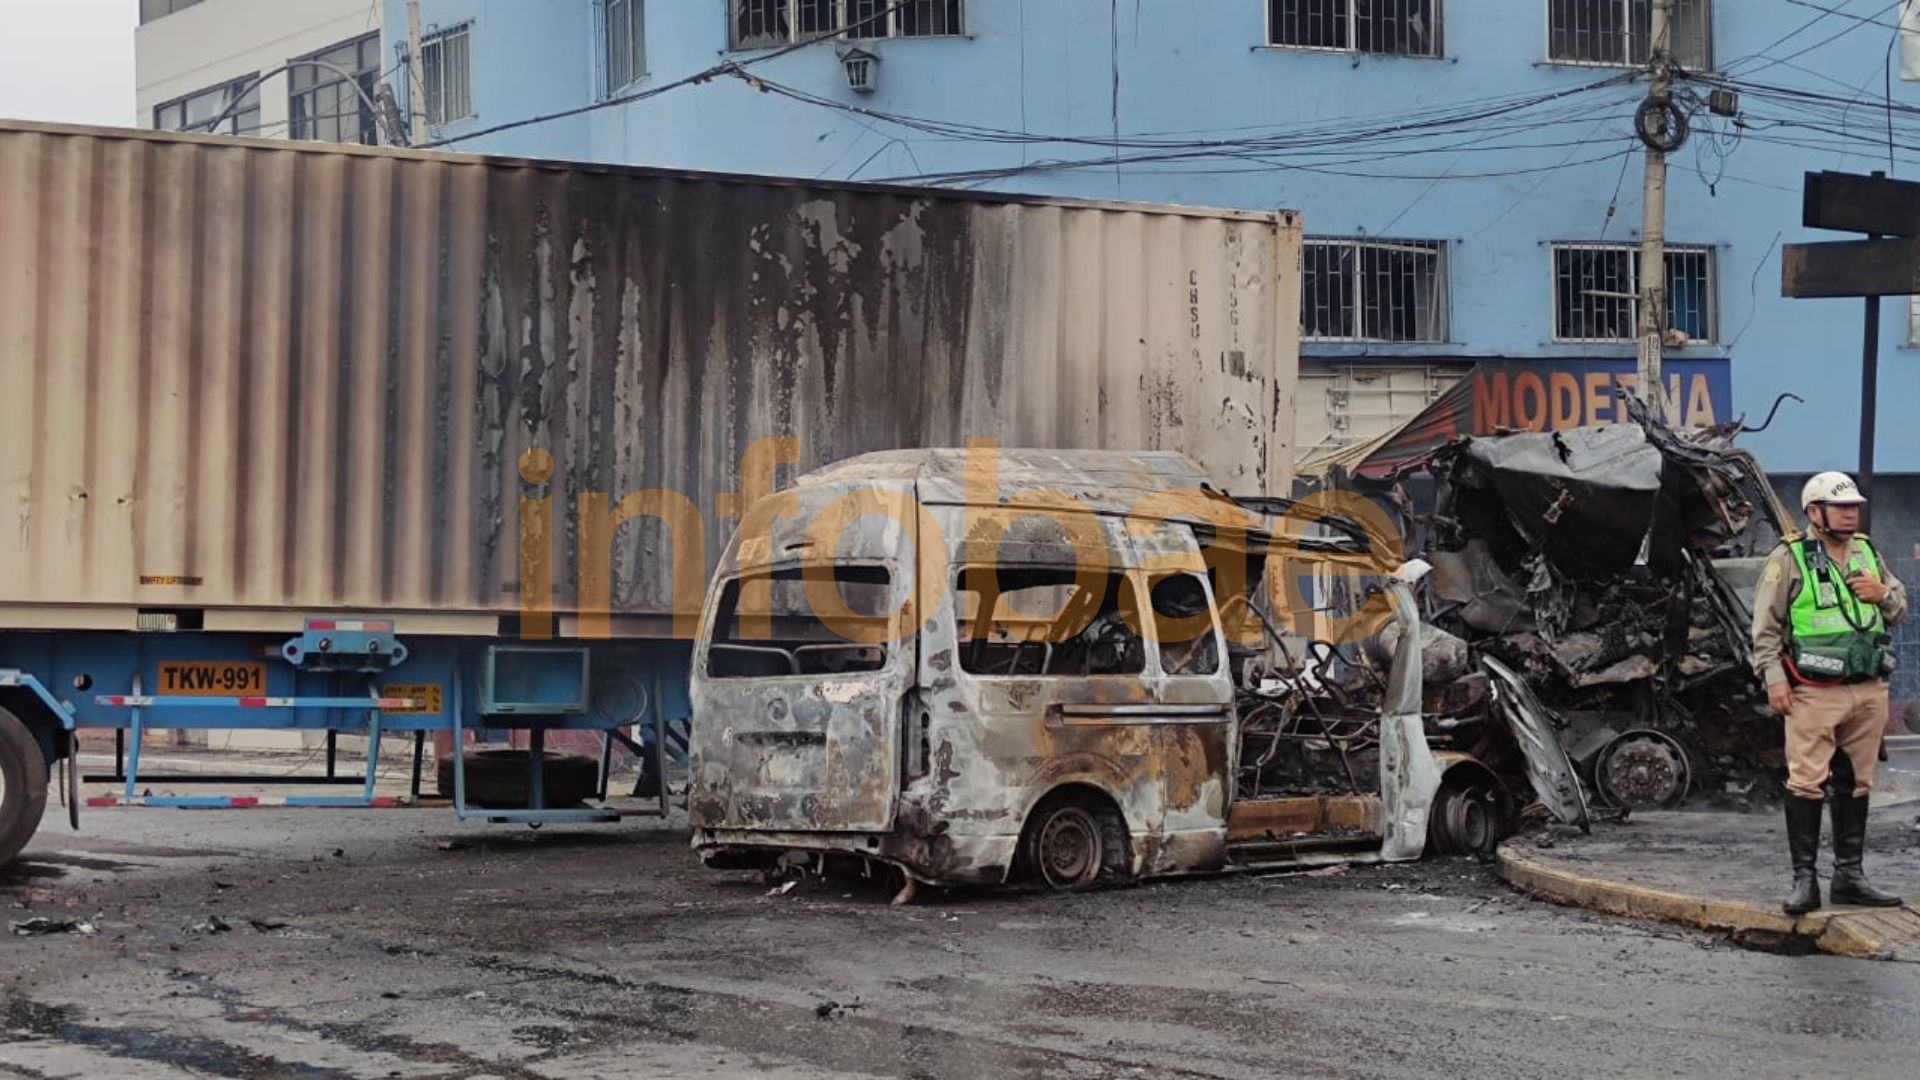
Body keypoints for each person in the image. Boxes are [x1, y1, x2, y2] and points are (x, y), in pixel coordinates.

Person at [1751, 471, 1908, 914]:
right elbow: (1765, 628)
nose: (1850, 513)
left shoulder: (1867, 552)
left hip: (1868, 687)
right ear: (1814, 511)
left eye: (1854, 506)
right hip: (1814, 691)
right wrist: (1774, 679)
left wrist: (1882, 595)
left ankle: (1850, 877)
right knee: (1806, 783)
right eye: (1840, 507)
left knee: (1857, 784)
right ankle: (1805, 881)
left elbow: (1899, 607)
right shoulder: (1790, 558)